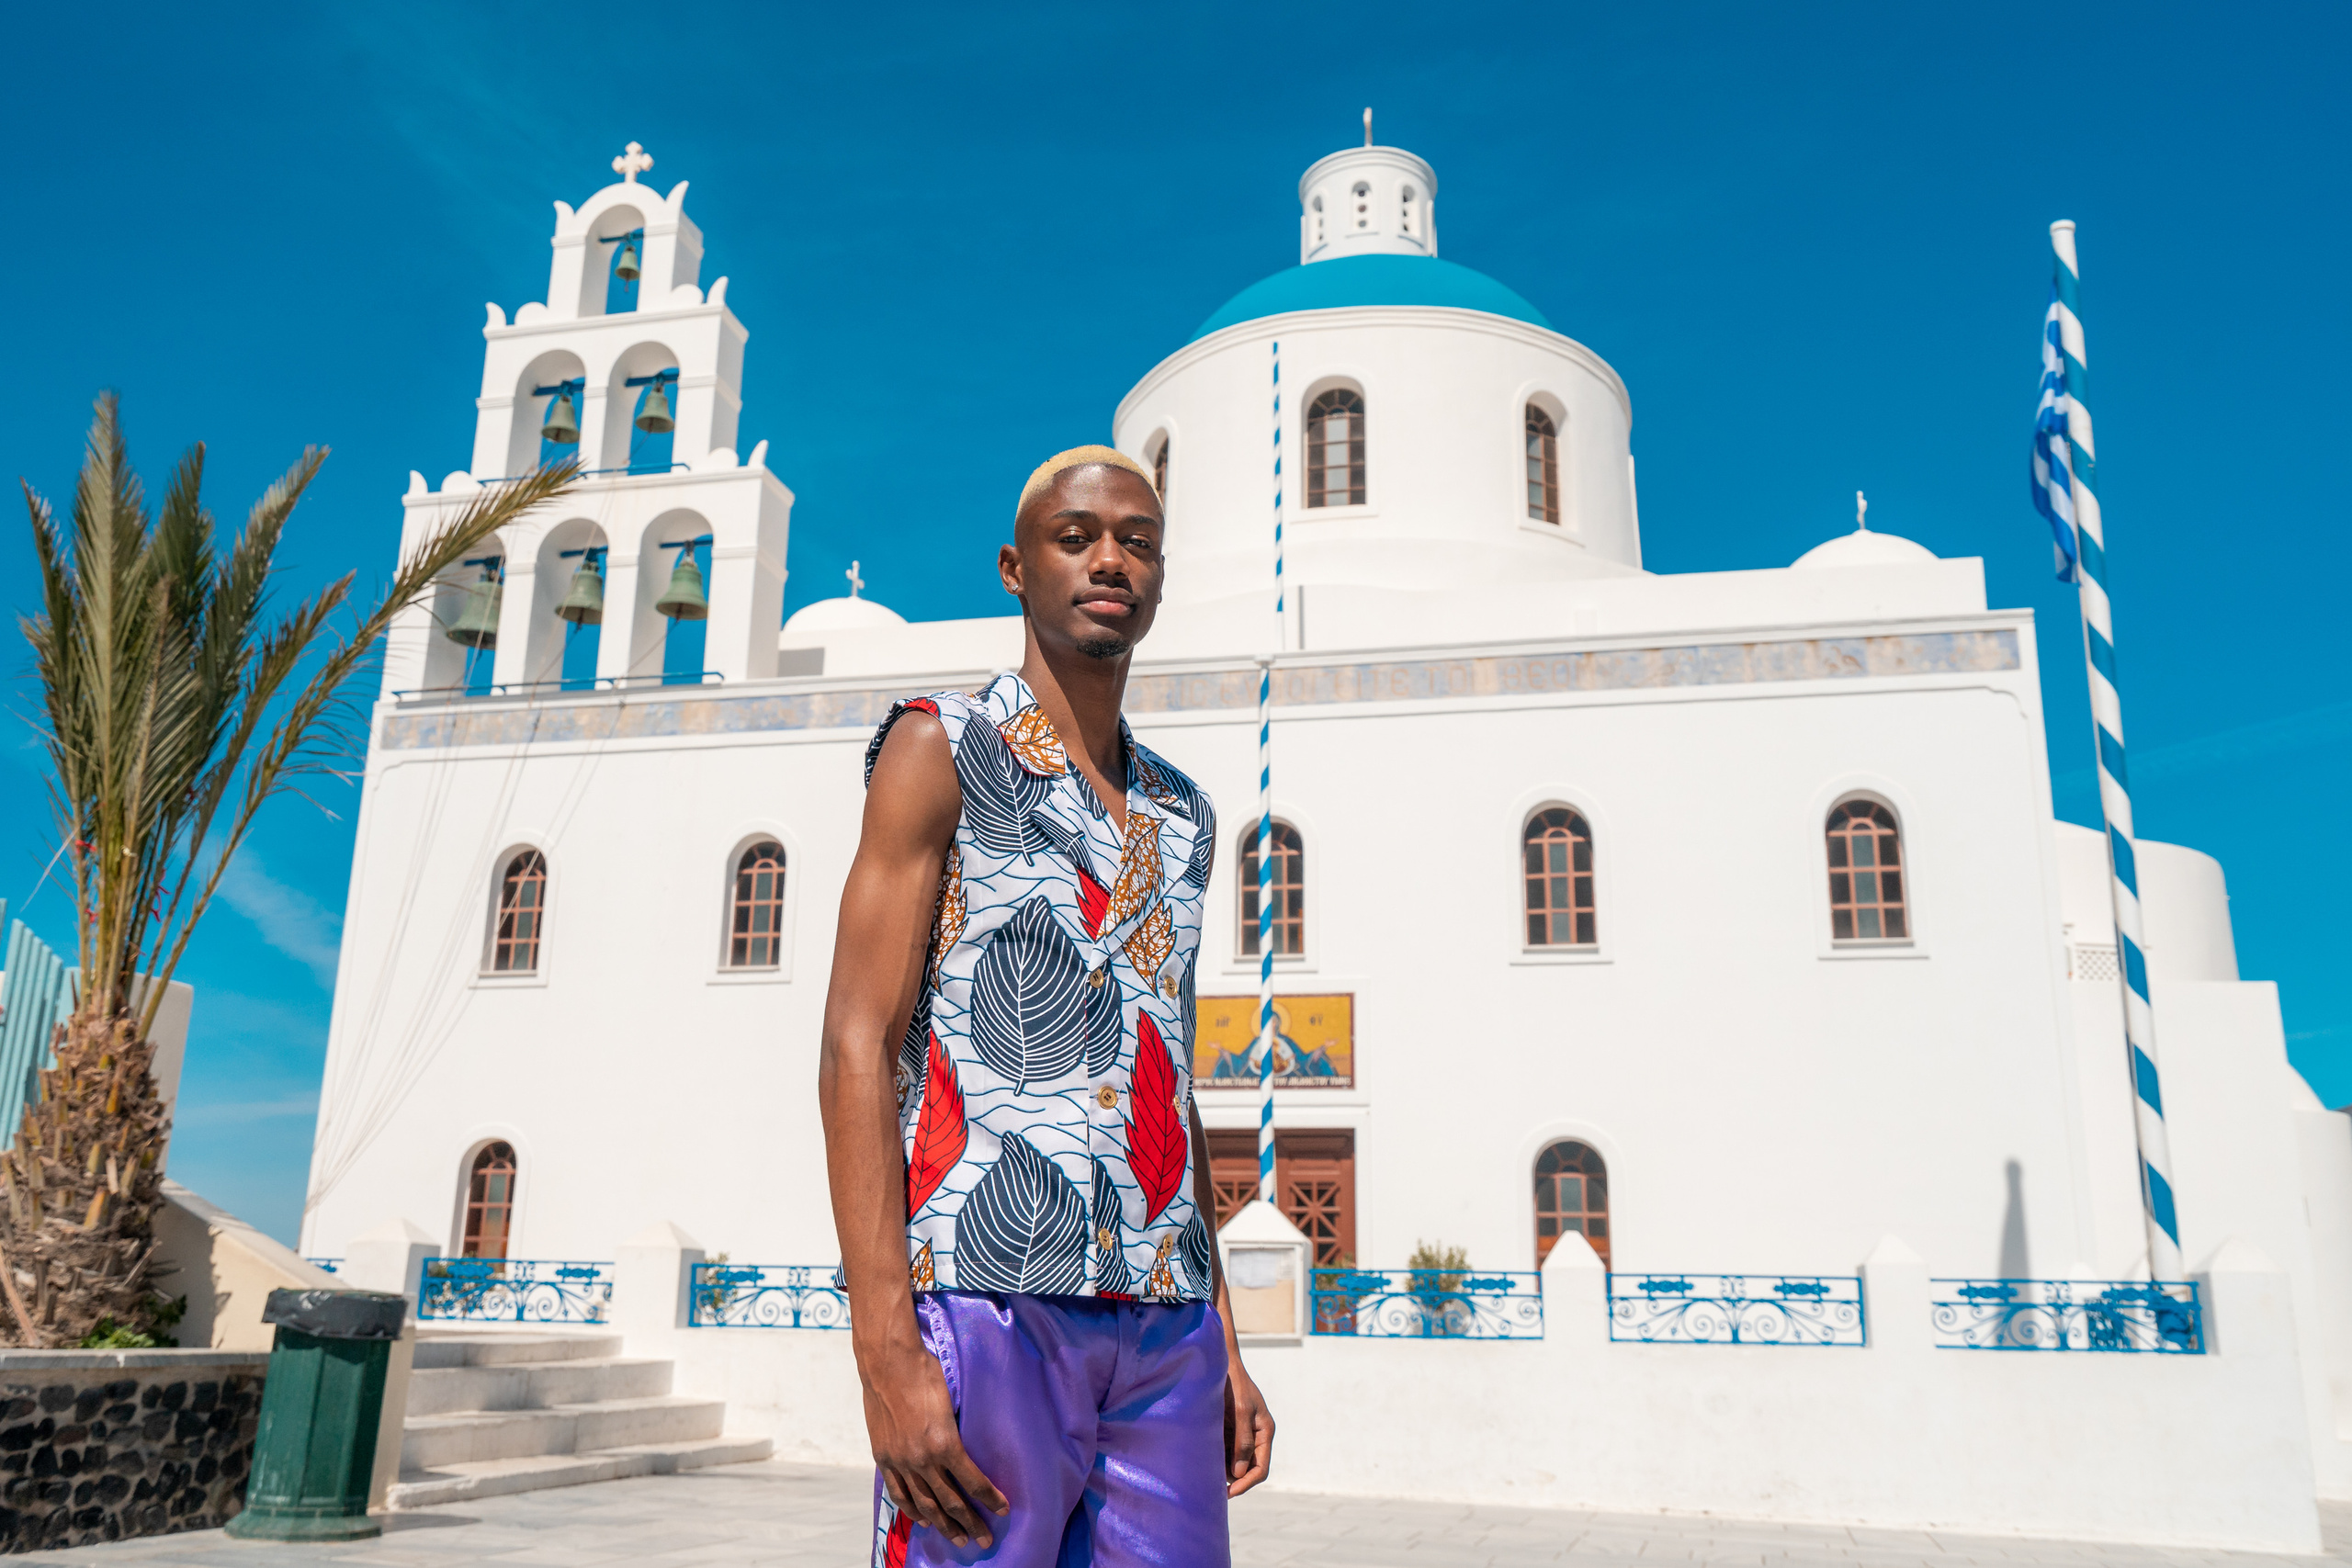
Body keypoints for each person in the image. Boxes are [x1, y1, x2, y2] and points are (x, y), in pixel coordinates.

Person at [820, 446, 1276, 1567]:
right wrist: (886, 1352)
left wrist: (1222, 1334)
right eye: (1077, 537)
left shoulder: (1183, 814)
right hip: (987, 1297)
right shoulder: (941, 745)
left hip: (1164, 1328)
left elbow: (1168, 1067)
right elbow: (856, 1043)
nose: (1110, 558)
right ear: (1017, 568)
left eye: (1137, 540)